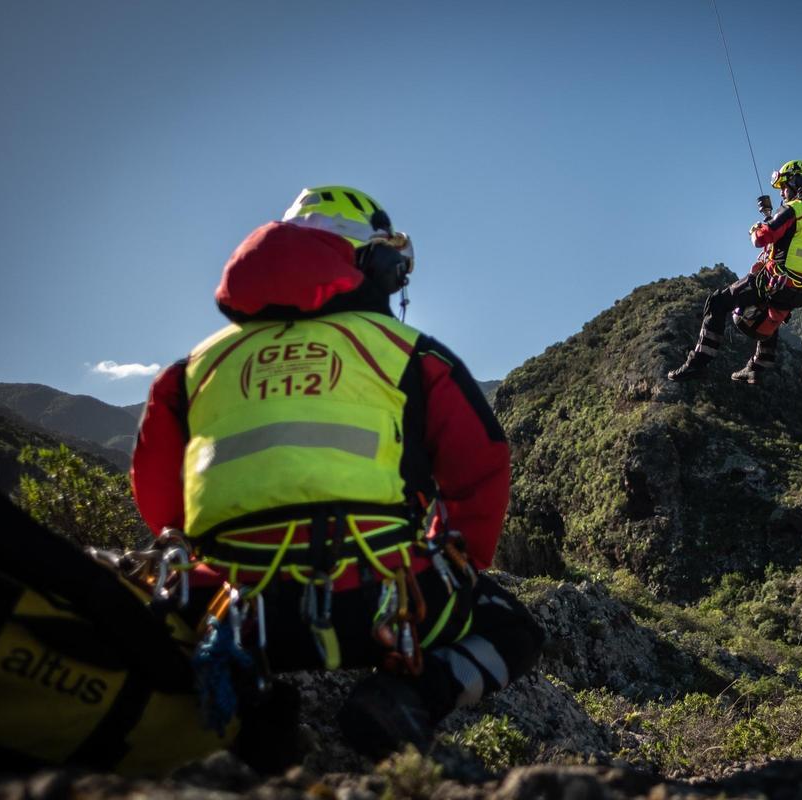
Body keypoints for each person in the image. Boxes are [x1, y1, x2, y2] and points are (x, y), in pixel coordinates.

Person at [131, 186, 543, 762]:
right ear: (372, 262)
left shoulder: (190, 370)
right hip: (376, 600)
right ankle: (402, 701)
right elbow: (482, 464)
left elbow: (158, 498)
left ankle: (252, 722)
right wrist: (460, 561)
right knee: (514, 629)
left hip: (238, 609)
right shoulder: (411, 352)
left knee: (145, 623)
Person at [667, 159, 802, 385]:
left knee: (718, 302)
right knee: (769, 307)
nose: (782, 193)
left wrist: (756, 228)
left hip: (776, 283)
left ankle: (698, 363)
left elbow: (761, 238)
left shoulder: (794, 209)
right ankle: (759, 366)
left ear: (796, 183)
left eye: (784, 187)